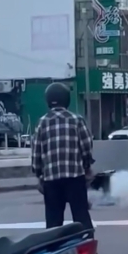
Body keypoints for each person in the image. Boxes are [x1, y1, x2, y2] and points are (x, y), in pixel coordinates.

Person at [32, 83, 94, 229]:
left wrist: (39, 173)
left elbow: (36, 152)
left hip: (51, 179)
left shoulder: (42, 122)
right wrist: (87, 166)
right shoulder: (77, 120)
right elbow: (86, 146)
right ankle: (86, 240)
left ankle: (55, 243)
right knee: (81, 215)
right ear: (67, 99)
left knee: (53, 220)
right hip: (75, 177)